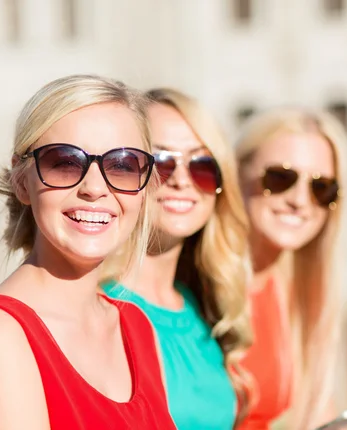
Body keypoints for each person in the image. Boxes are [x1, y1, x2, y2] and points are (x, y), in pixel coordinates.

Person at [0, 74, 176, 430]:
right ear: (22, 181)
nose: (95, 188)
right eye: (64, 162)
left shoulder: (137, 326)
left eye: (123, 165)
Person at [102, 88, 252, 429]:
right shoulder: (97, 307)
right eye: (160, 163)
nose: (183, 180)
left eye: (203, 165)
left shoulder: (203, 308)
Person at [235, 107, 347, 429]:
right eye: (280, 178)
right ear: (237, 174)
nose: (300, 200)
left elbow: (320, 415)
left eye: (321, 188)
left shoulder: (289, 296)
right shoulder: (194, 286)